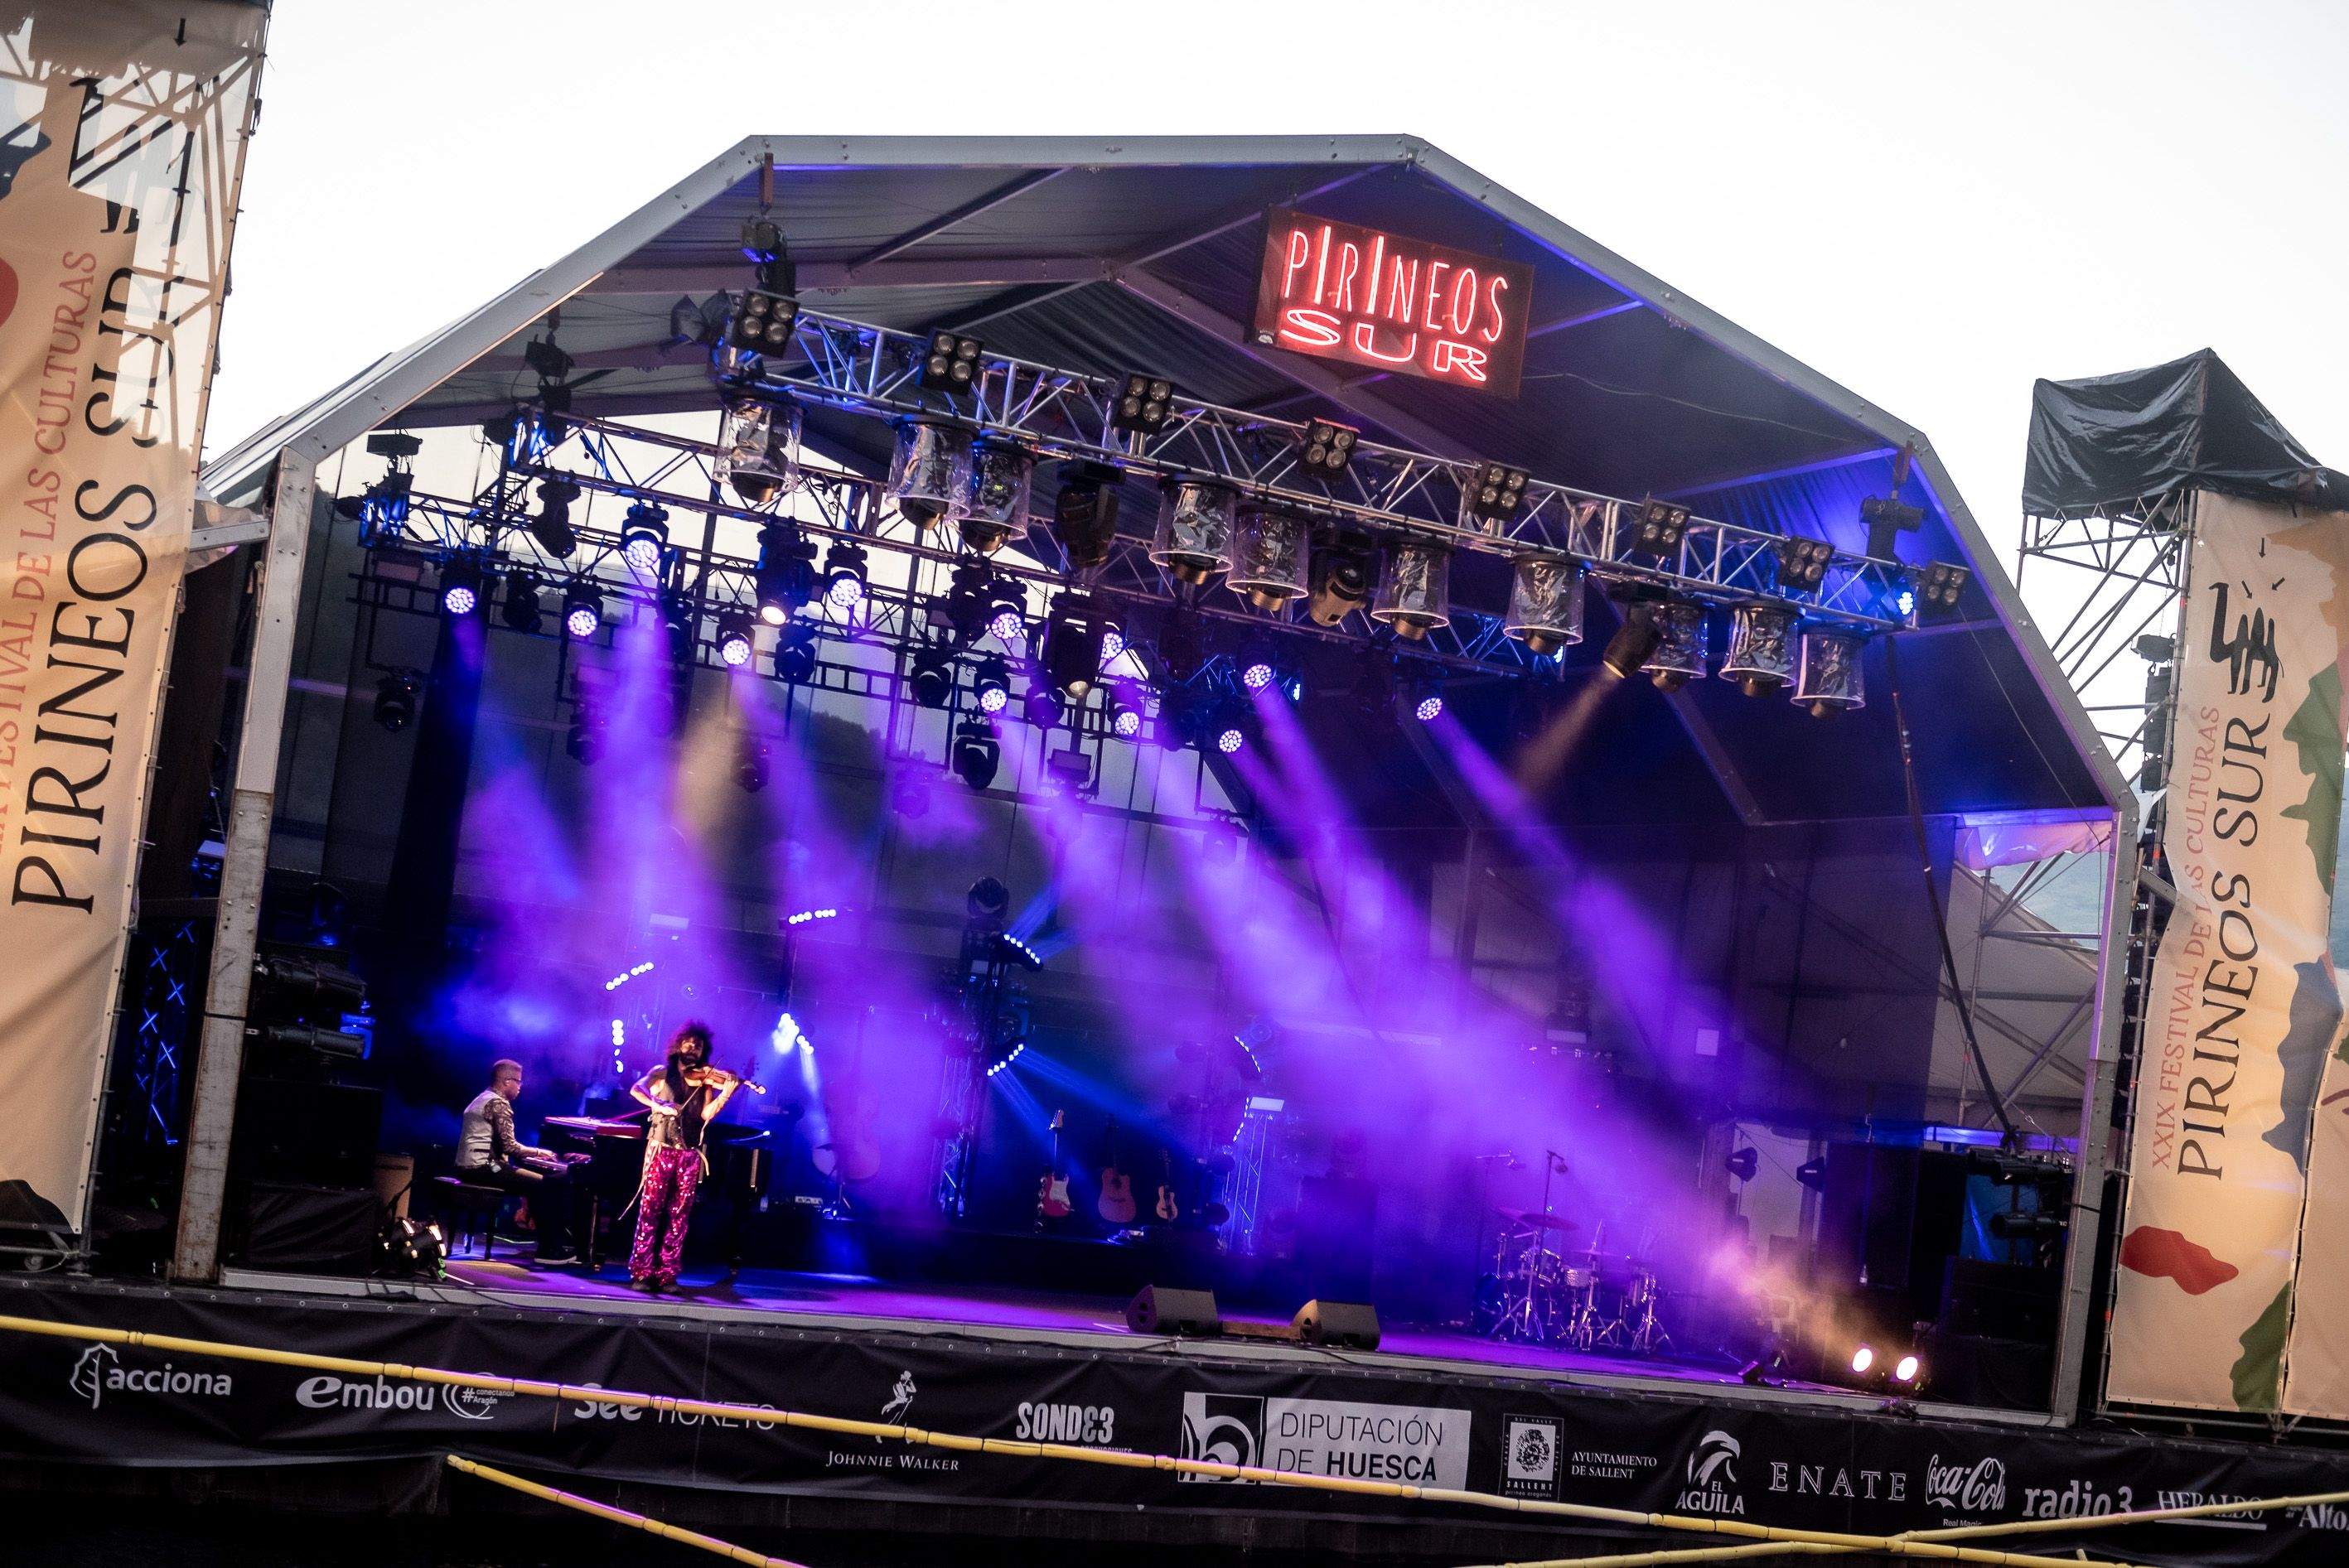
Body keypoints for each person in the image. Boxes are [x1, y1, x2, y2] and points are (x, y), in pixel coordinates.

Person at [626, 1021, 741, 1293]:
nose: (692, 1049)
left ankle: (667, 1274)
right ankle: (642, 1271)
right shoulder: (661, 1072)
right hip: (660, 1148)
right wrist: (659, 1104)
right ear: (678, 1045)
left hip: (689, 1154)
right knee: (650, 1211)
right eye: (688, 1043)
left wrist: (726, 1093)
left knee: (679, 1216)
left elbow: (706, 1114)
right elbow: (637, 1089)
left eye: (698, 1046)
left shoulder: (704, 1080)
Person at [455, 1059, 585, 1264]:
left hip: (469, 1166)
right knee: (544, 1185)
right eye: (518, 1081)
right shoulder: (499, 1104)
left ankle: (549, 1244)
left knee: (533, 1181)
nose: (520, 1087)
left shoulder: (482, 1098)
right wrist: (540, 1152)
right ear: (507, 1081)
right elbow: (510, 1147)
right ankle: (549, 1250)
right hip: (486, 1167)